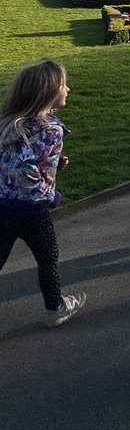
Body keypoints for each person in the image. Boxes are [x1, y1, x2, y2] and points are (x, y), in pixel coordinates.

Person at [0, 60, 85, 327]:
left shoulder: (14, 123)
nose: (68, 89)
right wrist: (48, 196)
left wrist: (53, 162)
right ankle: (56, 308)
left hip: (3, 204)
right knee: (48, 256)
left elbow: (13, 159)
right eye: (63, 85)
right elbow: (24, 169)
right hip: (30, 209)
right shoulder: (50, 129)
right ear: (47, 92)